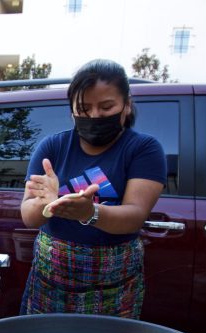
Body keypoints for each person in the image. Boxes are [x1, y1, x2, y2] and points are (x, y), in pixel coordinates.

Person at [20, 59, 167, 319]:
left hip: (114, 286)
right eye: (84, 108)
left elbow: (134, 216)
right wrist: (47, 203)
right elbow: (29, 216)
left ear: (126, 105)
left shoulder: (143, 149)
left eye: (106, 106)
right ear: (72, 110)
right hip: (50, 281)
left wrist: (90, 212)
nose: (95, 116)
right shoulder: (52, 147)